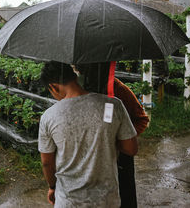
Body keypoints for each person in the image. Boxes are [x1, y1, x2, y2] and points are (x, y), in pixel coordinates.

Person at [39, 61, 138, 207]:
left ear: (53, 87)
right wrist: (106, 139)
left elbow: (47, 163)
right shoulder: (112, 105)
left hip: (70, 201)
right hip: (107, 199)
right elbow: (131, 149)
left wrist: (52, 187)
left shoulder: (49, 116)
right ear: (74, 77)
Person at [76, 62, 150, 208]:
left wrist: (121, 140)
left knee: (124, 195)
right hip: (93, 156)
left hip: (120, 157)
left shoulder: (119, 90)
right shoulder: (80, 88)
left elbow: (142, 119)